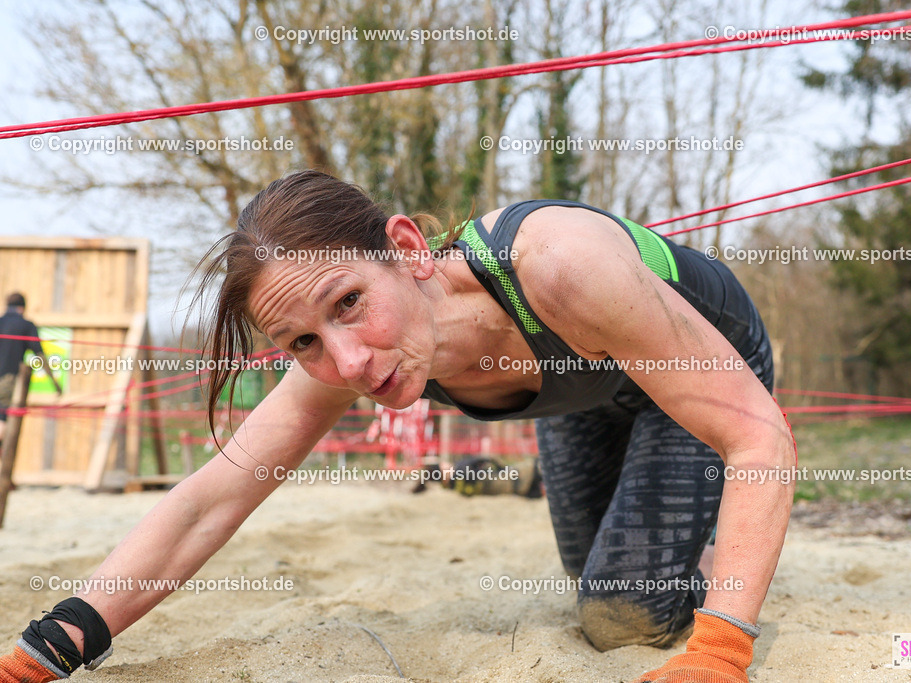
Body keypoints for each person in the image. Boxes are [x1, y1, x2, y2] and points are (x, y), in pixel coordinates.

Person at [0, 171, 796, 683]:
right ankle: (699, 546)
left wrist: (722, 650)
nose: (348, 361)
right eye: (302, 341)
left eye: (350, 302)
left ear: (408, 248)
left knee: (622, 613)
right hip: (585, 393)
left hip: (694, 352)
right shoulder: (345, 356)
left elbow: (759, 436)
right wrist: (48, 646)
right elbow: (208, 499)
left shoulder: (559, 266)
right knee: (607, 588)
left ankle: (721, 570)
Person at [0, 293, 62, 447]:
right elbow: (39, 355)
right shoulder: (26, 325)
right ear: (22, 308)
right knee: (3, 420)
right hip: (7, 382)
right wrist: (55, 383)